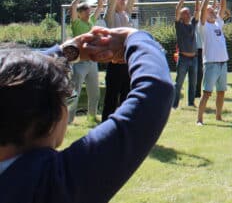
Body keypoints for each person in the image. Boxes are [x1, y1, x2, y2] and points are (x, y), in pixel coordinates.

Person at [0, 26, 173, 202]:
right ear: (55, 113)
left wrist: (68, 51)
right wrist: (136, 37)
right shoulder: (51, 185)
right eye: (67, 98)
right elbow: (155, 92)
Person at [102, 0, 140, 121]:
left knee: (126, 96)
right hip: (115, 64)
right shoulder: (110, 16)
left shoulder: (125, 14)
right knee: (111, 98)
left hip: (127, 63)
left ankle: (122, 126)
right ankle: (105, 127)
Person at [67, 0, 104, 124]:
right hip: (79, 63)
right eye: (87, 12)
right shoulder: (76, 23)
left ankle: (92, 117)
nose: (89, 14)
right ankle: (68, 120)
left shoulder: (92, 22)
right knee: (74, 93)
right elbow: (73, 5)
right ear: (80, 13)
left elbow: (100, 6)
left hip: (92, 63)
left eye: (90, 12)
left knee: (95, 93)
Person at [196, 0, 229, 125]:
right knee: (207, 93)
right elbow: (203, 8)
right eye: (211, 11)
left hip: (223, 63)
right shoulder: (203, 26)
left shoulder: (218, 23)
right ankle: (199, 120)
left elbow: (222, 6)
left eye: (213, 11)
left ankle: (218, 116)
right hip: (211, 63)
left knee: (221, 92)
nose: (213, 12)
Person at [173, 0, 200, 108]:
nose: (188, 14)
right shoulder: (179, 25)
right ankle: (174, 104)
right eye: (185, 13)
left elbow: (197, 11)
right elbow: (177, 9)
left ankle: (191, 103)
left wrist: (197, 0)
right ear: (181, 15)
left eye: (188, 12)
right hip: (183, 58)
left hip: (194, 58)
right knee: (179, 83)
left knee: (193, 83)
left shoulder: (193, 24)